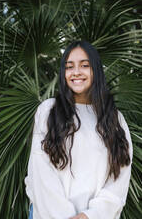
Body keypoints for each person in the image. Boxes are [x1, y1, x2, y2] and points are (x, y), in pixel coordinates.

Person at [25, 41, 133, 219]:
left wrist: (88, 216)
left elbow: (119, 180)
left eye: (84, 65)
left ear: (95, 71)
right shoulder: (48, 111)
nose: (76, 72)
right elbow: (40, 173)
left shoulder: (115, 119)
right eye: (69, 67)